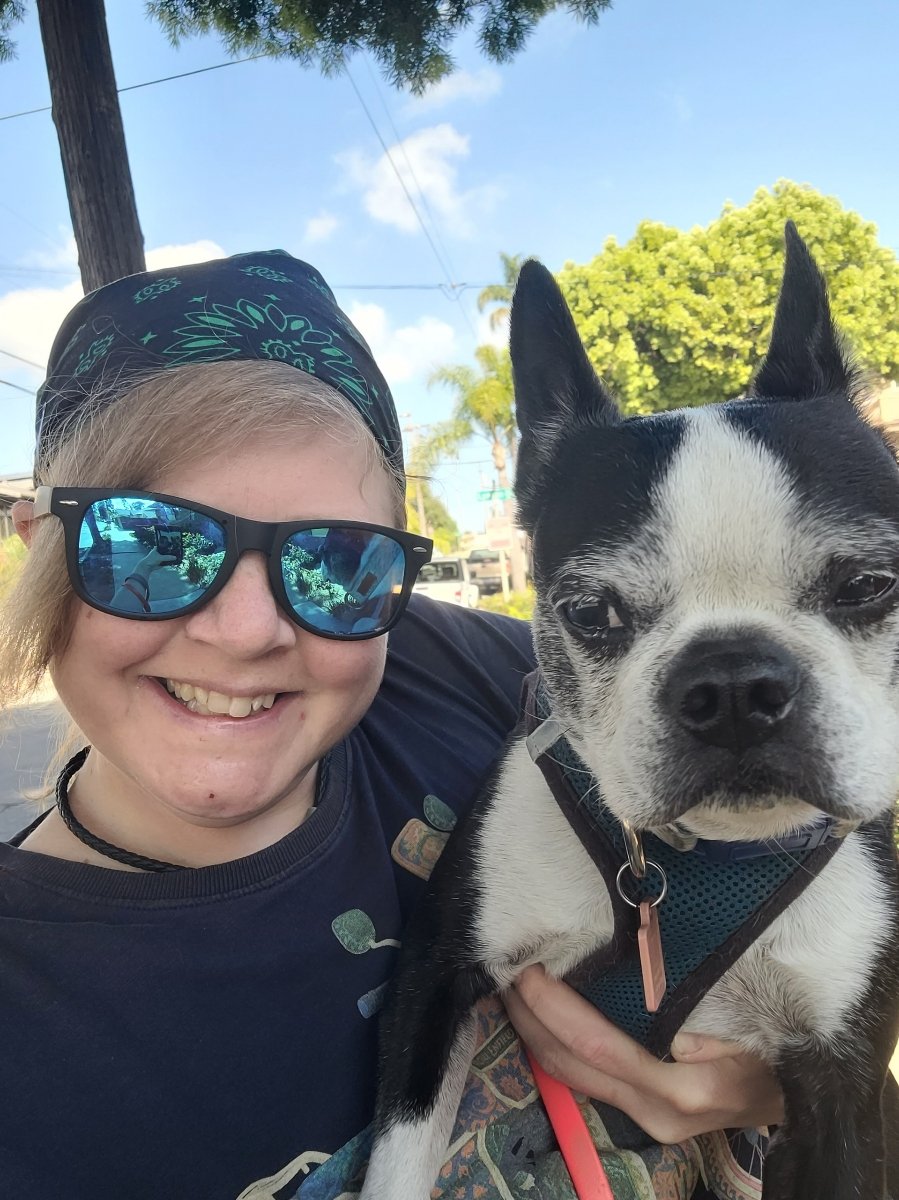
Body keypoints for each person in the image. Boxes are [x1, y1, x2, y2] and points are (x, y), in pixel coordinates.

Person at [0, 251, 781, 1199]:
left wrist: (782, 1084)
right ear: (42, 552)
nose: (246, 631)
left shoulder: (455, 669)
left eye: (336, 561)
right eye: (154, 545)